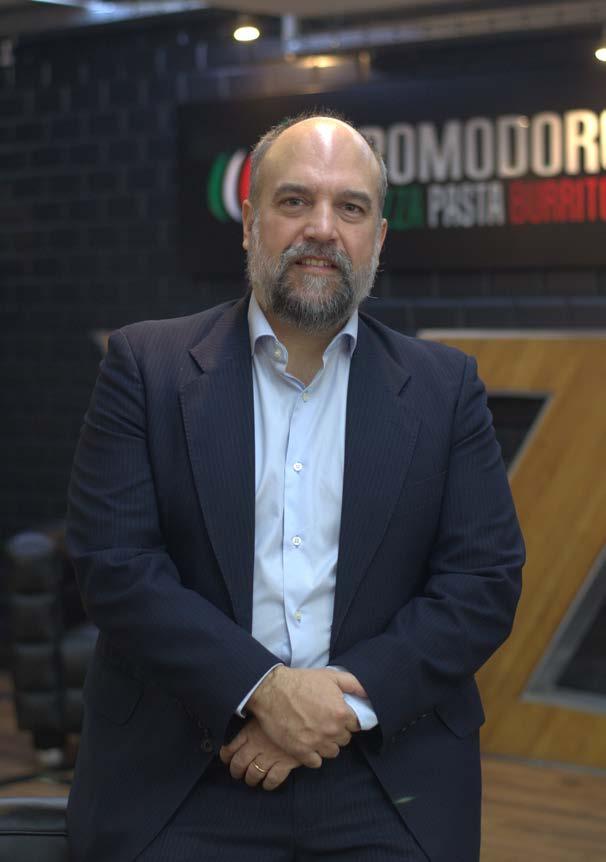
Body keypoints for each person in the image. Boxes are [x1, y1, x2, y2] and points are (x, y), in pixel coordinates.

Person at [66, 111, 524, 862]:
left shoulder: (446, 389)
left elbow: (483, 581)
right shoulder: (145, 368)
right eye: (295, 201)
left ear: (379, 238)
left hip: (384, 774)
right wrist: (265, 692)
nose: (322, 228)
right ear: (250, 222)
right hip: (188, 769)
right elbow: (117, 568)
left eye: (351, 207)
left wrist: (338, 707)